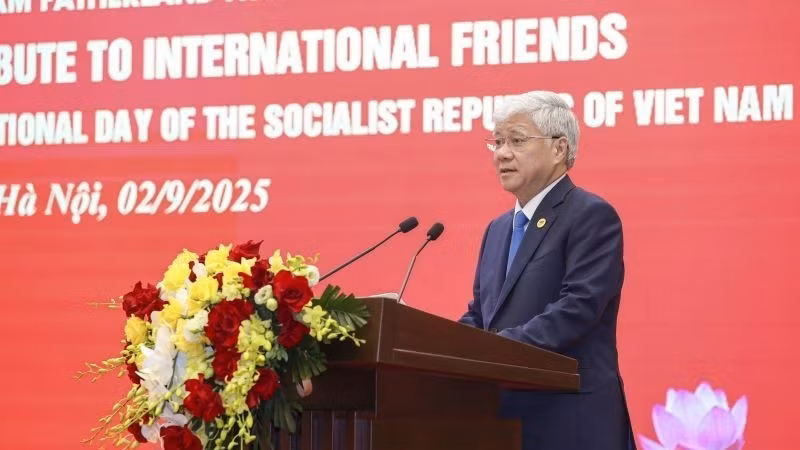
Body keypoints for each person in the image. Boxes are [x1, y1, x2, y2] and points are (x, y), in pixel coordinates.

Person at [459, 91, 635, 450]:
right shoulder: (497, 229)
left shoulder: (590, 215)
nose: (502, 153)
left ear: (559, 148)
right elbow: (481, 315)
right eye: (497, 142)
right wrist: (441, 347)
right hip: (505, 422)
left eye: (517, 140)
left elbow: (578, 308)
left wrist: (493, 350)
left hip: (571, 420)